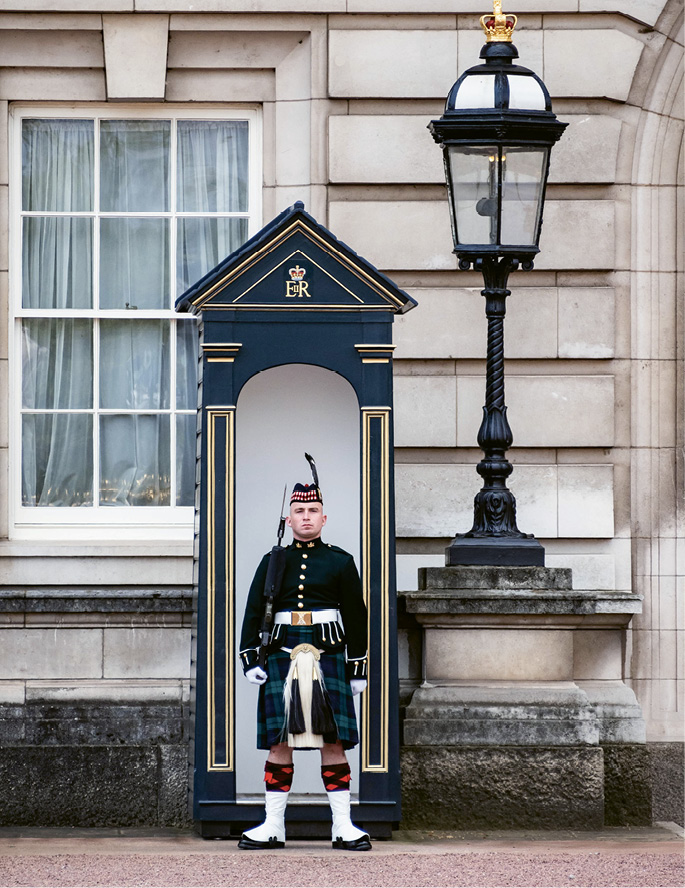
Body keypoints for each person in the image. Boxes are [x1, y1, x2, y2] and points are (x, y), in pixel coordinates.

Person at [238, 472, 370, 851]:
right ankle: (272, 826)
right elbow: (252, 613)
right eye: (300, 511)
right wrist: (250, 658)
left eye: (313, 510)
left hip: (327, 654)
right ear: (289, 519)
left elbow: (357, 618)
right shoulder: (272, 561)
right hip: (282, 653)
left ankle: (343, 827)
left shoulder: (341, 562)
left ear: (324, 518)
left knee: (334, 741)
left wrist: (357, 667)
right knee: (280, 742)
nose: (307, 517)